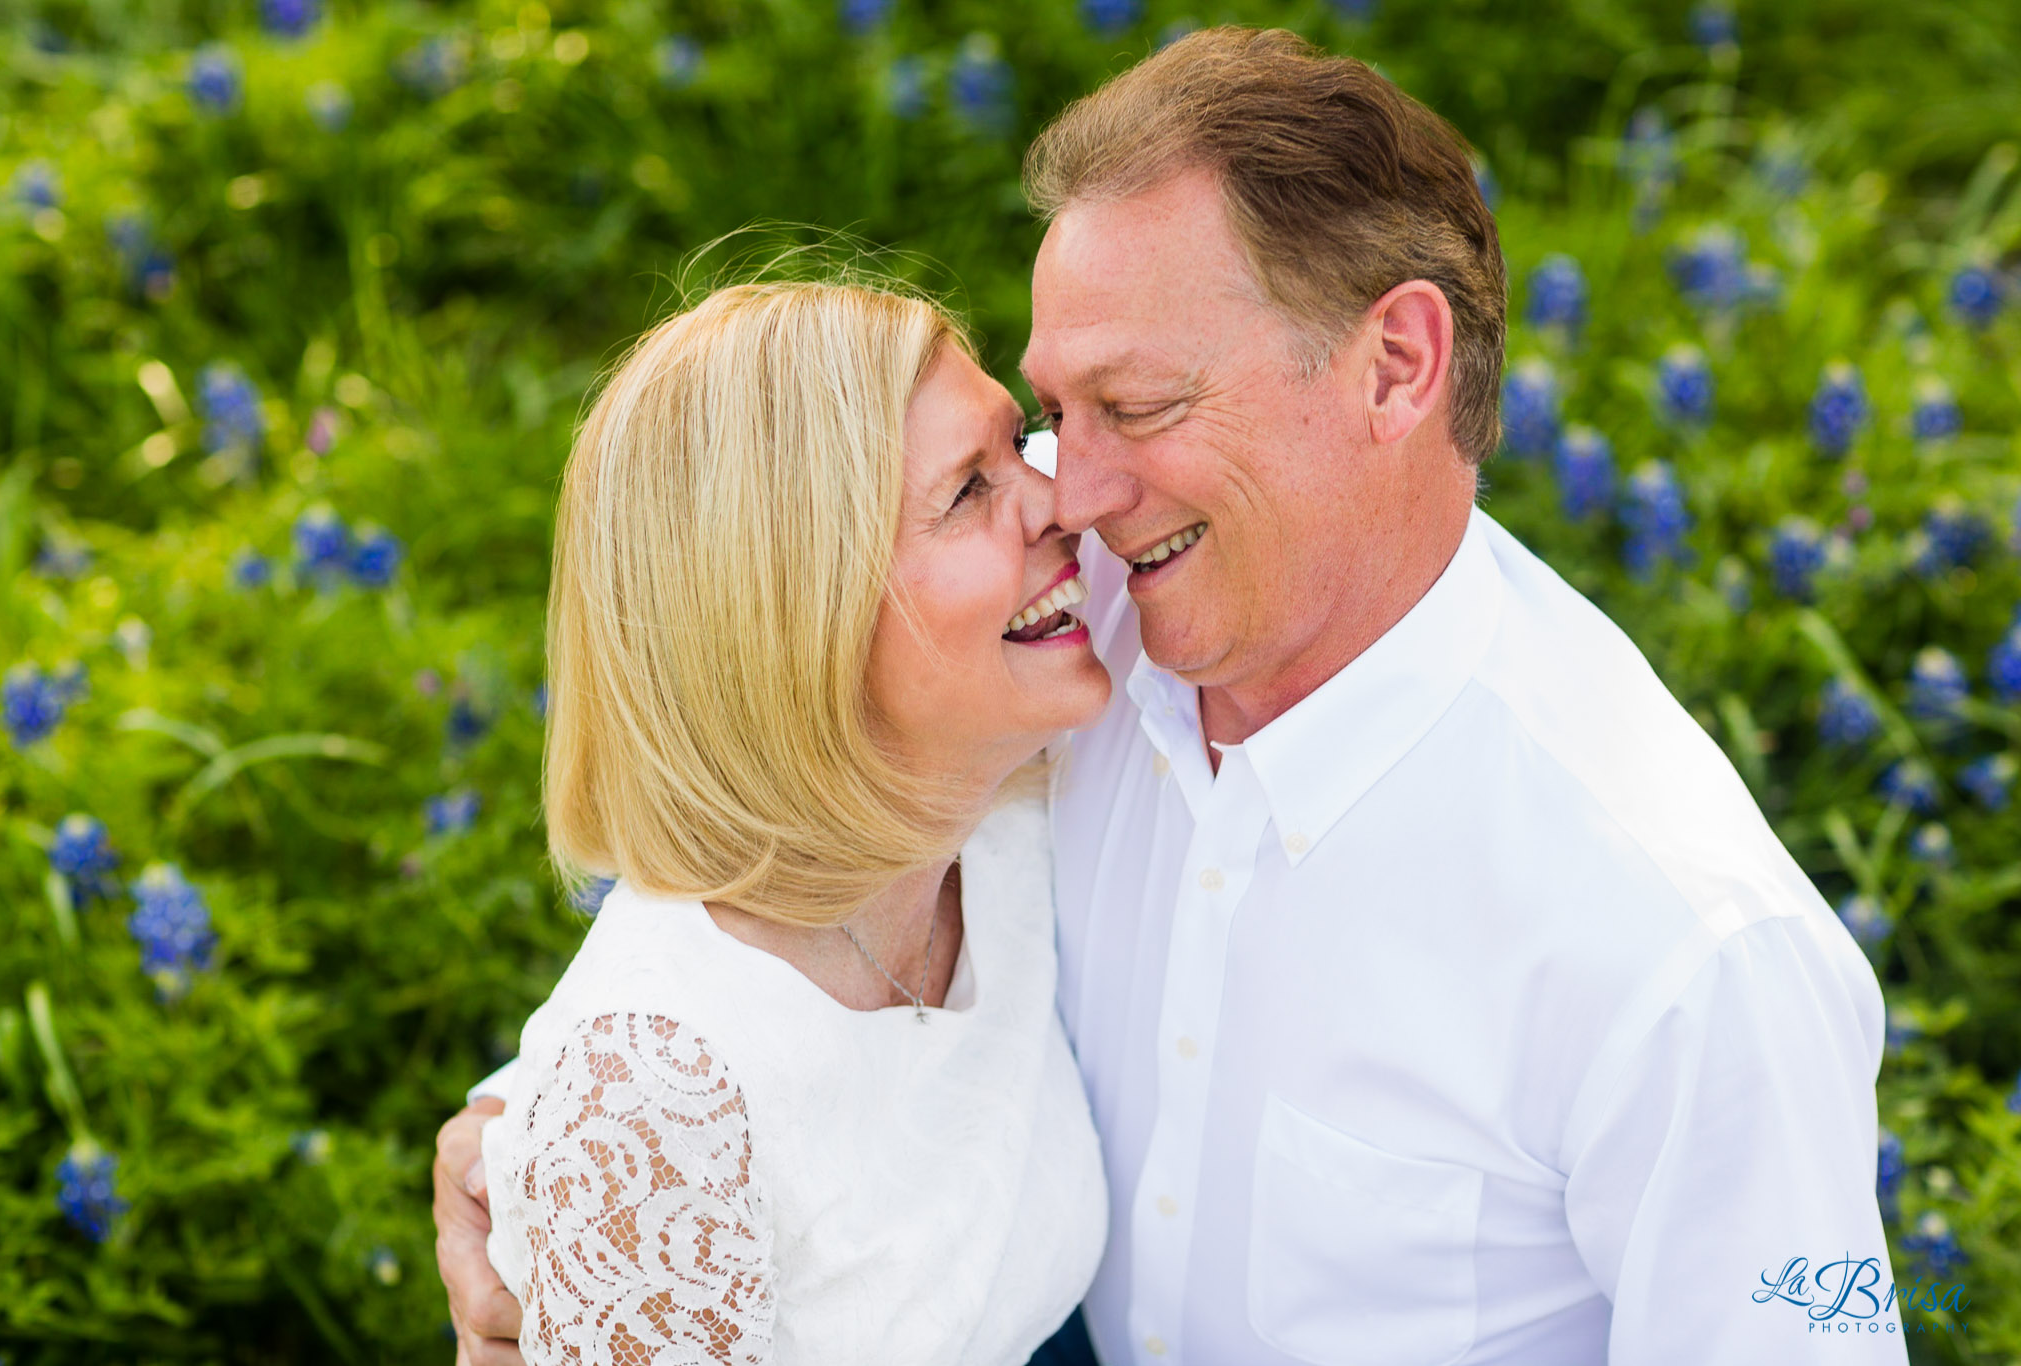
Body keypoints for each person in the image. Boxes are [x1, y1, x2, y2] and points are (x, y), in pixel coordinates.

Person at [440, 26, 1904, 1366]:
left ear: (1395, 365)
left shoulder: (1686, 951)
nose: (1071, 494)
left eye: (1135, 409)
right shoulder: (1081, 664)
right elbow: (783, 862)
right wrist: (560, 1152)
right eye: (1050, 416)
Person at [445, 279, 1112, 1365]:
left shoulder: (1005, 808)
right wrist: (559, 1156)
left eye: (1019, 444)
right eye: (967, 490)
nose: (1060, 502)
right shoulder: (649, 1101)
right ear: (804, 620)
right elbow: (662, 1054)